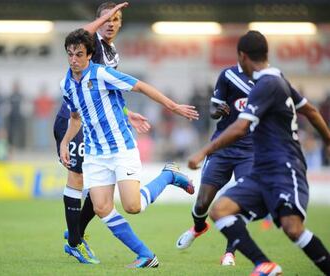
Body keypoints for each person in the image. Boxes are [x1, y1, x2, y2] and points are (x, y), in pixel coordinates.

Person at [187, 30, 330, 276]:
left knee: (292, 228)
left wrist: (203, 152)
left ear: (242, 56)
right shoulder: (278, 79)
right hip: (262, 170)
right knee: (220, 210)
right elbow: (312, 112)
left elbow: (241, 126)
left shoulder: (269, 83)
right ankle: (265, 265)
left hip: (284, 167)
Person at [60, 28, 198, 268]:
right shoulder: (66, 84)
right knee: (102, 208)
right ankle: (146, 255)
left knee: (133, 206)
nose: (74, 59)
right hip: (94, 153)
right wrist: (64, 141)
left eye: (79, 54)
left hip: (121, 148)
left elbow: (141, 86)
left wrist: (173, 106)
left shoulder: (102, 74)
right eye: (70, 54)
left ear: (89, 55)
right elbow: (75, 118)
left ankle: (168, 175)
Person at [53, 2, 151, 265]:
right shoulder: (88, 41)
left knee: (95, 184)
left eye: (116, 18)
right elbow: (79, 32)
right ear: (97, 23)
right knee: (77, 177)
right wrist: (99, 20)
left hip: (93, 123)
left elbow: (109, 92)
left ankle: (76, 235)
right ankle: (75, 240)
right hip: (73, 119)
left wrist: (127, 113)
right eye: (105, 18)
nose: (110, 22)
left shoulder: (110, 52)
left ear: (121, 23)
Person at [176, 62, 254, 267]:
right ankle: (198, 227)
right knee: (202, 203)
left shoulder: (267, 79)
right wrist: (218, 110)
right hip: (222, 147)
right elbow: (212, 109)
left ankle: (230, 253)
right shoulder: (228, 75)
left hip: (250, 152)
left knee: (238, 203)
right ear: (242, 55)